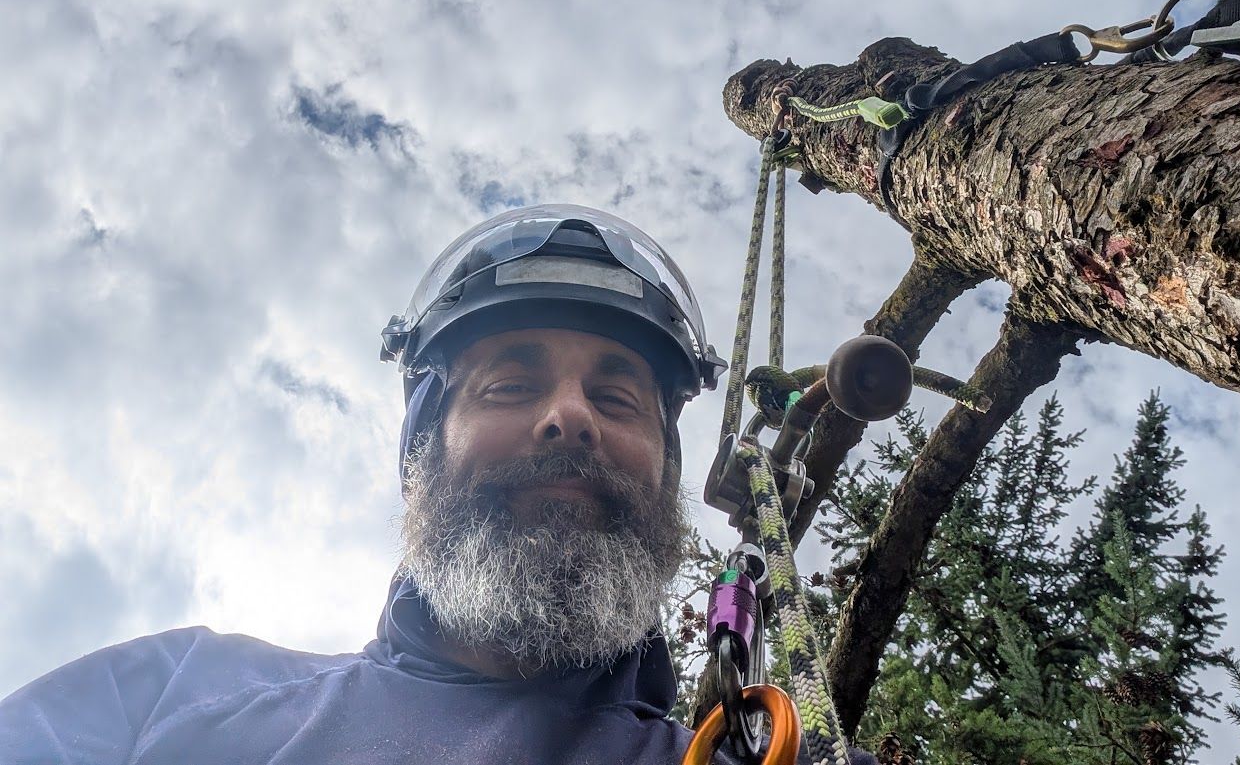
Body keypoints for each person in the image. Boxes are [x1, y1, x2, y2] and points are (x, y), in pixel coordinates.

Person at [1, 204, 804, 764]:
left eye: (617, 396)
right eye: (511, 386)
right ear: (424, 445)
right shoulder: (170, 694)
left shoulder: (767, 754)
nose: (569, 416)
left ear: (665, 469)